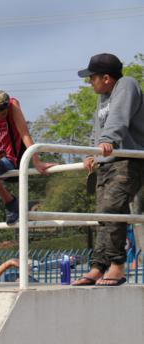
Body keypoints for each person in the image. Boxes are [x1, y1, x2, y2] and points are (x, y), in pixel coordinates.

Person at [73, 53, 144, 287]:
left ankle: (117, 265)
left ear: (106, 77)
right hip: (108, 161)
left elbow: (118, 119)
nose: (89, 82)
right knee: (102, 215)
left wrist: (107, 140)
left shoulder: (126, 85)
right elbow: (99, 126)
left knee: (113, 208)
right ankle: (98, 265)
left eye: (92, 77)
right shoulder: (102, 96)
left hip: (128, 159)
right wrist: (93, 153)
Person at [0, 90, 56, 225]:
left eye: (3, 114)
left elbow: (25, 134)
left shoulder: (13, 106)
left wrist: (36, 161)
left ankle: (10, 203)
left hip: (8, 159)